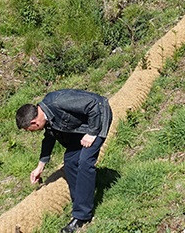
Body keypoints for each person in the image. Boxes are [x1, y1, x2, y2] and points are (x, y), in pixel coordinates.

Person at [16, 89, 113, 233]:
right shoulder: (46, 115)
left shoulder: (57, 102)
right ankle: (80, 201)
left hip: (98, 117)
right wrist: (40, 166)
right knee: (70, 162)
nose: (31, 132)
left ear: (34, 122)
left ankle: (82, 216)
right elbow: (49, 138)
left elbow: (93, 104)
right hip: (81, 128)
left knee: (85, 162)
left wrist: (92, 133)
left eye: (29, 130)